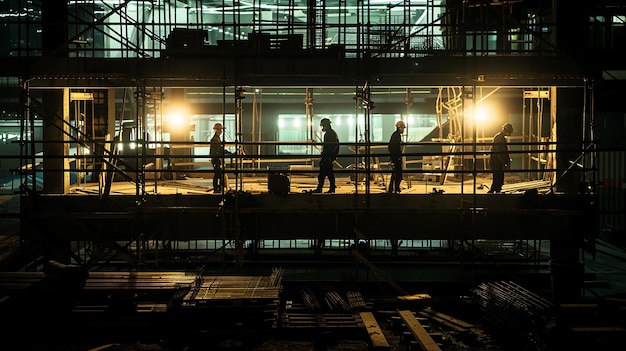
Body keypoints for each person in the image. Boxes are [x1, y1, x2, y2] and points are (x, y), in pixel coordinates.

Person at [312, 118, 339, 193]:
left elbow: (329, 147)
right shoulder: (332, 133)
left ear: (326, 125)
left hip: (327, 156)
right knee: (328, 173)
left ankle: (321, 188)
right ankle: (330, 188)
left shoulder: (328, 134)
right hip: (329, 156)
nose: (322, 128)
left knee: (324, 173)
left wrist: (325, 155)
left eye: (323, 126)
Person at [488, 122, 514, 193]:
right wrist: (504, 162)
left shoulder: (499, 137)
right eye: (509, 132)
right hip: (496, 161)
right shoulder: (500, 138)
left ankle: (495, 192)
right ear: (506, 130)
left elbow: (503, 152)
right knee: (497, 178)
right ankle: (494, 192)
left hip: (496, 161)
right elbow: (500, 152)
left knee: (498, 178)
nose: (509, 134)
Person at [210, 122, 230, 193]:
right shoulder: (215, 139)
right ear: (217, 130)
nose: (221, 131)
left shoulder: (217, 138)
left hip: (216, 159)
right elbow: (217, 150)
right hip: (216, 159)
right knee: (218, 174)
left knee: (218, 174)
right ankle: (217, 188)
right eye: (220, 130)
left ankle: (218, 188)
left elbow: (220, 149)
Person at [388, 120, 406, 193]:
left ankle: (392, 189)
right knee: (397, 174)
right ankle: (395, 189)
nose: (404, 130)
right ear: (399, 127)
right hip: (396, 158)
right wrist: (397, 157)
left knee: (395, 174)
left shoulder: (396, 135)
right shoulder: (396, 136)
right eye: (403, 128)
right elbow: (392, 147)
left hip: (395, 158)